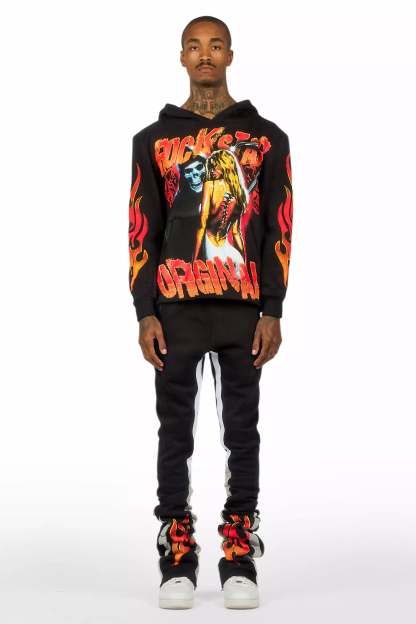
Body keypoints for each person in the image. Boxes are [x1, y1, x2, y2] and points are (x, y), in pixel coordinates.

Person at [128, 15, 294, 610]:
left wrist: (272, 308)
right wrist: (144, 311)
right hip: (174, 308)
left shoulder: (267, 138)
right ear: (182, 57)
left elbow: (279, 226)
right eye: (195, 46)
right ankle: (177, 553)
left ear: (230, 55)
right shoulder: (152, 140)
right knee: (174, 433)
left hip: (243, 309)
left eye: (215, 45)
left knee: (242, 431)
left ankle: (238, 552)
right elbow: (141, 227)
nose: (205, 55)